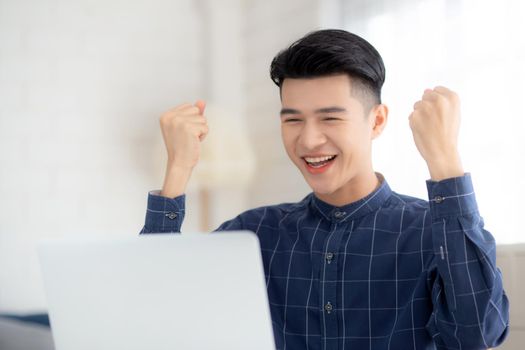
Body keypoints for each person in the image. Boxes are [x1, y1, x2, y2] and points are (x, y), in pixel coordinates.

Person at [140, 29, 509, 349]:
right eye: (293, 120)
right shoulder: (253, 234)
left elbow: (475, 335)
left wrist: (444, 163)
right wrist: (178, 170)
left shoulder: (433, 231)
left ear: (377, 121)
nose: (309, 140)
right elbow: (152, 310)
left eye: (330, 118)